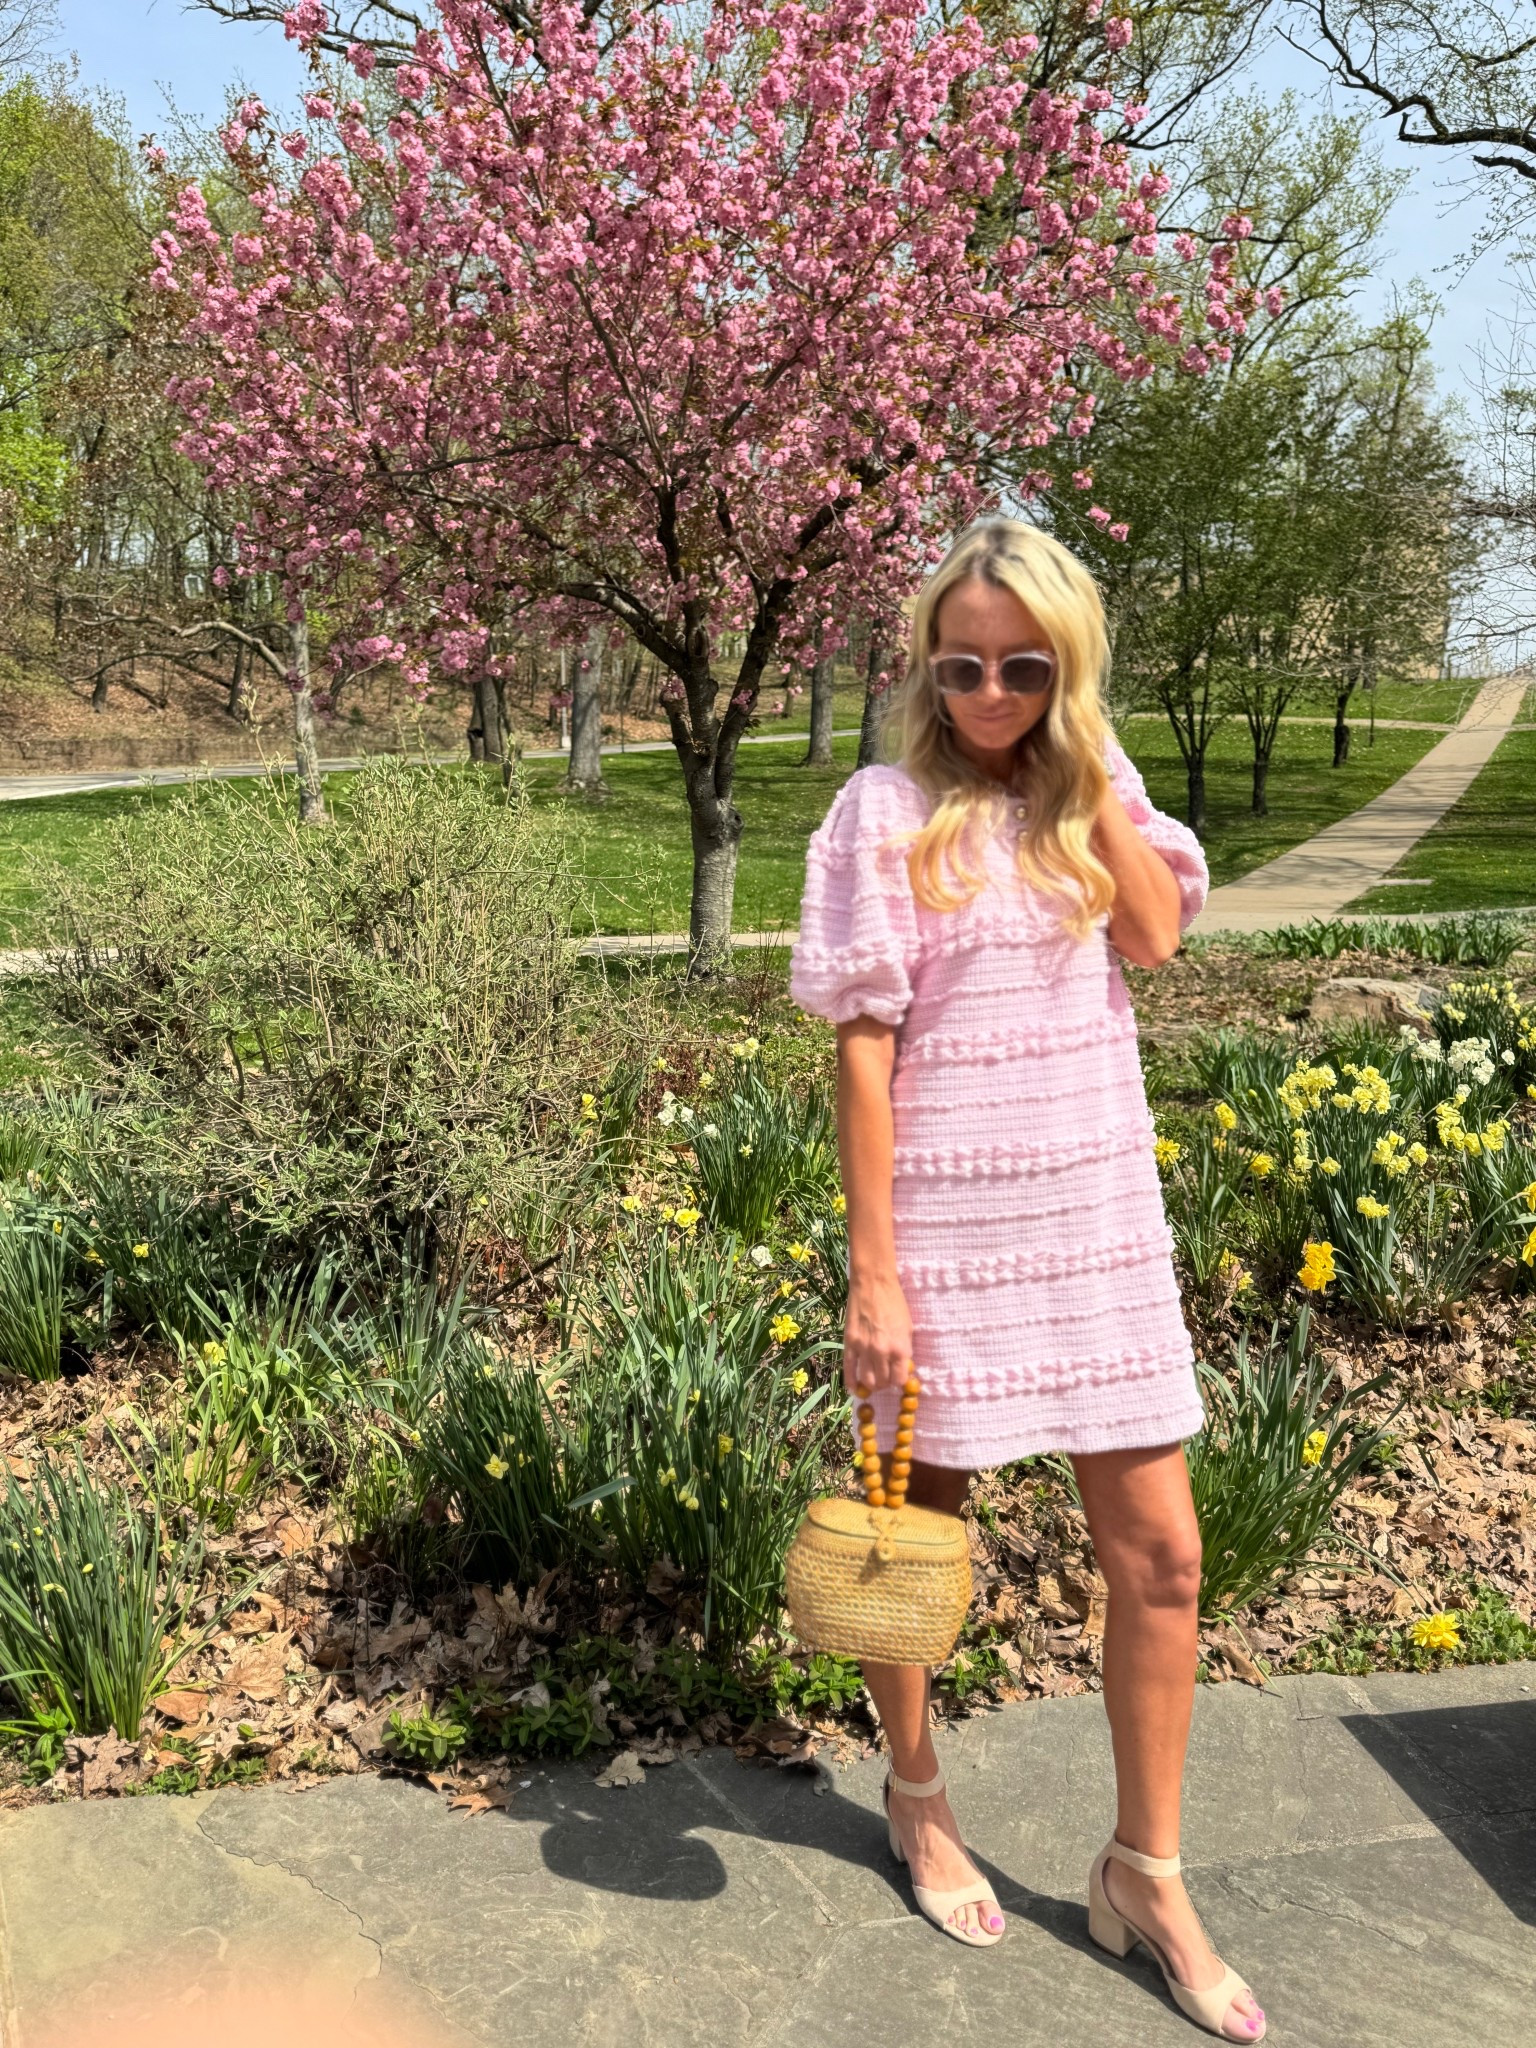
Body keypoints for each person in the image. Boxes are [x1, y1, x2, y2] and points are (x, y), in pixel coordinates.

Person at [789, 519, 1265, 2041]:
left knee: (1166, 1558)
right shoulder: (881, 809)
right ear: (928, 663)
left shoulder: (1094, 796)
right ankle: (916, 1794)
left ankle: (1147, 1870)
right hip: (940, 1229)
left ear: (1066, 667)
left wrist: (1093, 757)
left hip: (1097, 1222)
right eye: (963, 664)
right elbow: (863, 1043)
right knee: (915, 1547)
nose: (989, 692)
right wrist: (875, 1274)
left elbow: (1160, 936)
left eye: (1025, 665)